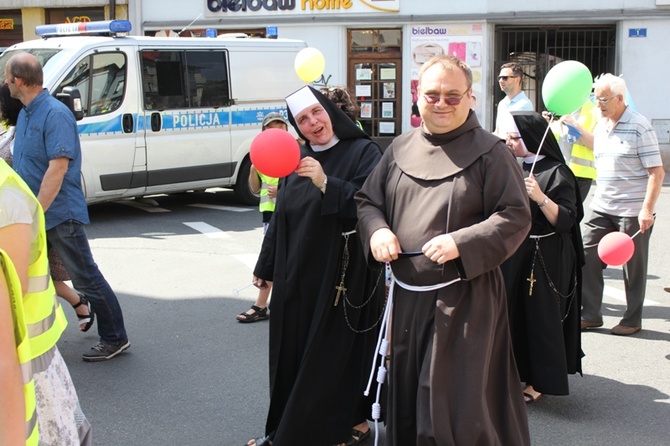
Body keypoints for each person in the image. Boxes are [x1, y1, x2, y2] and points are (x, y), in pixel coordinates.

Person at [355, 55, 532, 445]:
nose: (441, 103)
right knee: (408, 401)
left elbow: (516, 216)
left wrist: (460, 241)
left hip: (466, 300)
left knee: (453, 410)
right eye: (432, 94)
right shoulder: (399, 148)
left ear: (470, 98)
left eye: (453, 96)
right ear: (418, 96)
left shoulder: (492, 152)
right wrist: (378, 231)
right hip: (407, 301)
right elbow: (368, 202)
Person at [248, 85, 384, 446]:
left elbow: (370, 207)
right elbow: (282, 216)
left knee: (329, 357)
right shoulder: (294, 158)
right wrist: (267, 263)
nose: (312, 123)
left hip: (341, 274)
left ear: (330, 111)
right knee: (292, 353)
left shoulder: (363, 151)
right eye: (303, 119)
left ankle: (327, 429)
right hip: (297, 274)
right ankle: (288, 426)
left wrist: (325, 182)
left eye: (317, 113)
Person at [6, 51, 130, 361]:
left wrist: (35, 210)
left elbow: (57, 168)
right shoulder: (26, 112)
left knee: (85, 276)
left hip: (58, 212)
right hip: (38, 213)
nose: (5, 83)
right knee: (42, 275)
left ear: (19, 80)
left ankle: (115, 337)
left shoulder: (54, 113)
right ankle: (58, 322)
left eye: (7, 78)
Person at [1, 157, 92, 445]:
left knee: (89, 277)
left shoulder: (7, 201)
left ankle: (92, 313)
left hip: (27, 362)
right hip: (28, 359)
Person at [501, 111, 584, 404]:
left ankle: (540, 380)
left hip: (547, 254)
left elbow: (566, 220)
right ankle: (513, 371)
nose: (508, 142)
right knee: (512, 312)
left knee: (540, 318)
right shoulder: (513, 166)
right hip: (517, 252)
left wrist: (540, 197)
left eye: (514, 138)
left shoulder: (558, 172)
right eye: (508, 137)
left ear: (533, 140)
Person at [1, 83, 95, 333]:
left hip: (33, 213)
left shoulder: (33, 124)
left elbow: (55, 167)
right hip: (16, 213)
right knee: (33, 272)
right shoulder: (12, 128)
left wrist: (37, 212)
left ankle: (88, 313)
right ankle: (78, 302)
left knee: (32, 273)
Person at [581, 74, 665, 336]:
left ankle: (632, 319)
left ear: (619, 99)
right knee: (585, 253)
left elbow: (656, 172)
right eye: (595, 99)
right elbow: (598, 147)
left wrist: (646, 209)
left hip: (632, 209)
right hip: (602, 204)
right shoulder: (601, 123)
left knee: (633, 268)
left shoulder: (640, 126)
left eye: (603, 100)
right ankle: (591, 315)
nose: (598, 105)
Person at [236, 112, 288, 323]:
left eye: (280, 126)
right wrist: (253, 170)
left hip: (290, 213)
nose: (276, 131)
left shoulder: (295, 152)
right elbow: (256, 189)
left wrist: (283, 191)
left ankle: (262, 305)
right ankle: (263, 305)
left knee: (279, 259)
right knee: (272, 259)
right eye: (271, 128)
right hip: (270, 215)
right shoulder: (262, 155)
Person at [545, 98, 598, 202]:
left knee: (571, 214)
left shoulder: (593, 111)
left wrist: (575, 125)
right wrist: (545, 124)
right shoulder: (564, 109)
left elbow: (595, 144)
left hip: (581, 175)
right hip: (560, 172)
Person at [494, 61, 534, 137]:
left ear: (517, 80)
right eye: (499, 78)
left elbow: (523, 137)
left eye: (505, 78)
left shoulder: (524, 105)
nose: (501, 80)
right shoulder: (502, 103)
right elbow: (498, 132)